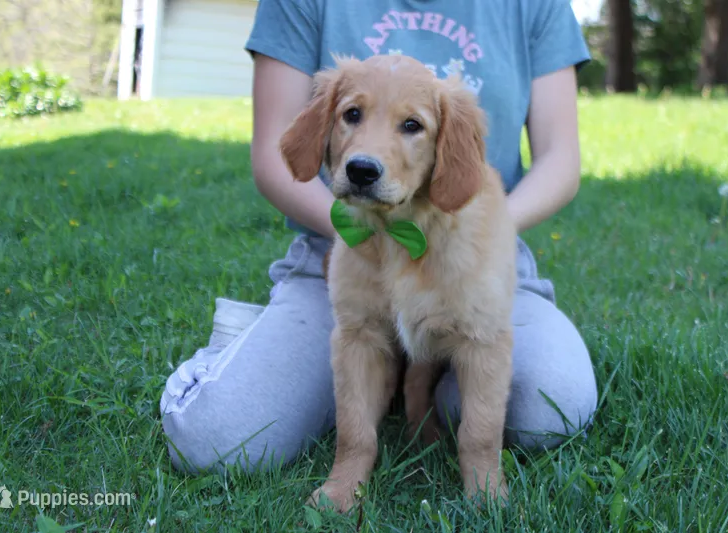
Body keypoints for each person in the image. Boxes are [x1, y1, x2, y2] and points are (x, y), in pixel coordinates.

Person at [160, 0, 599, 475]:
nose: (366, 155)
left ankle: (410, 383)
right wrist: (350, 229)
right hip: (339, 242)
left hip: (474, 250)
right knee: (210, 439)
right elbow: (275, 151)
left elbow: (561, 160)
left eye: (411, 126)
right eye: (353, 115)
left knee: (551, 407)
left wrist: (490, 233)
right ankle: (259, 347)